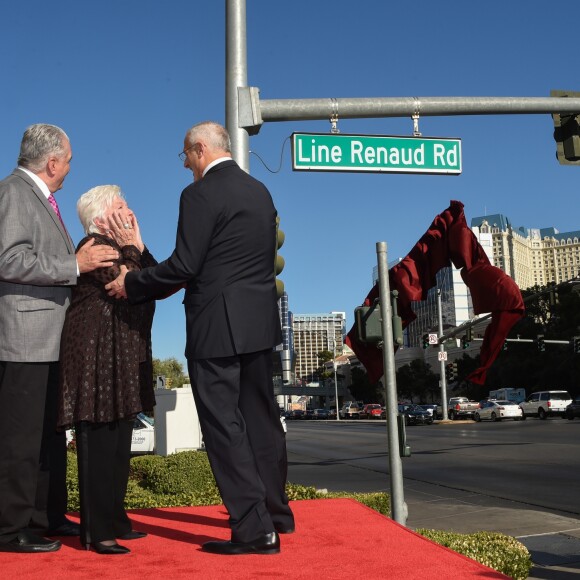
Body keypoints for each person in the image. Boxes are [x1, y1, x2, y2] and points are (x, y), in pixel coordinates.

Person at [106, 121, 294, 555]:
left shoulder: (198, 195)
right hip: (260, 325)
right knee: (262, 420)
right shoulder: (259, 192)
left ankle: (253, 529)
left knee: (223, 425)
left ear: (201, 149)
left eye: (186, 156)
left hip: (215, 328)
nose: (186, 165)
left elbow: (185, 265)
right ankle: (277, 515)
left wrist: (132, 283)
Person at [0, 124, 119, 553]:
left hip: (49, 341)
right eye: (68, 159)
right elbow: (9, 258)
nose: (70, 166)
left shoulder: (42, 199)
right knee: (20, 439)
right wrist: (74, 264)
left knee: (49, 436)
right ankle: (9, 529)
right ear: (52, 162)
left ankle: (44, 517)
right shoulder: (14, 192)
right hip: (24, 339)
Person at [58, 185, 156, 555]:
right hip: (95, 358)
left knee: (118, 445)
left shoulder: (125, 248)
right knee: (98, 444)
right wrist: (132, 249)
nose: (130, 212)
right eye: (121, 208)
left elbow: (157, 278)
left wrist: (139, 243)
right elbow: (125, 283)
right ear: (101, 219)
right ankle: (96, 531)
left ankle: (116, 520)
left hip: (123, 358)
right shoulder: (94, 247)